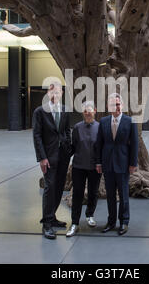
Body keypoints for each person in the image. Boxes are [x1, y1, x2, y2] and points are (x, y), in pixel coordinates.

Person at [32, 82, 72, 240]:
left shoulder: (65, 110)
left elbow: (67, 131)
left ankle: (52, 217)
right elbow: (37, 136)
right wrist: (42, 158)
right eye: (52, 92)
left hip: (63, 156)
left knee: (59, 187)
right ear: (48, 93)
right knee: (49, 188)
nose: (55, 94)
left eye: (58, 92)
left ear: (61, 93)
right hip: (48, 157)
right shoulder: (40, 111)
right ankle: (46, 224)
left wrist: (68, 149)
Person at [96, 93, 138, 236]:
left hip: (123, 163)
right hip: (107, 164)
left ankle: (124, 222)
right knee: (110, 196)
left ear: (123, 105)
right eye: (114, 105)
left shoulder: (130, 121)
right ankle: (111, 221)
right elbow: (99, 144)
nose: (117, 107)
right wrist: (98, 162)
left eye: (119, 104)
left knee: (124, 195)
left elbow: (134, 144)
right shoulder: (103, 121)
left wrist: (133, 163)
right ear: (109, 107)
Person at [66, 101, 101, 237]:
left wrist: (100, 163)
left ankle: (90, 215)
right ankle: (74, 222)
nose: (87, 113)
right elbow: (73, 147)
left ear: (95, 111)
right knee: (77, 194)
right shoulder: (77, 127)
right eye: (85, 111)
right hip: (78, 167)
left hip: (94, 167)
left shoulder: (100, 127)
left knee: (93, 192)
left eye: (90, 110)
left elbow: (101, 148)